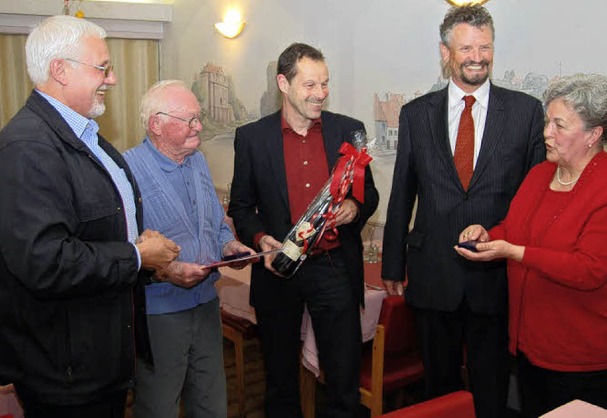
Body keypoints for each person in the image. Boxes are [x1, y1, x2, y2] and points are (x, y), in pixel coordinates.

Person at [0, 15, 180, 418]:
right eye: (103, 67)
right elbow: (43, 260)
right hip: (65, 372)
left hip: (98, 357)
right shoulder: (28, 147)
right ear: (59, 70)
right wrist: (135, 256)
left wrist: (138, 246)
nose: (112, 79)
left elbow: (94, 229)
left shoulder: (86, 136)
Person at [381, 5, 545, 418]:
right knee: (439, 388)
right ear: (445, 51)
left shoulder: (526, 113)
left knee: (492, 387)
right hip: (432, 272)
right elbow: (402, 193)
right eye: (467, 47)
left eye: (485, 46)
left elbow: (534, 200)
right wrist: (391, 264)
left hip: (496, 277)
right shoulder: (415, 114)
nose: (477, 56)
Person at [456, 73, 607, 417]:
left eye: (559, 125)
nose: (546, 134)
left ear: (593, 134)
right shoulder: (541, 174)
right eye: (547, 122)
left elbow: (589, 270)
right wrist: (488, 234)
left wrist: (514, 252)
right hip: (532, 346)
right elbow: (513, 228)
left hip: (586, 355)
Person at [227, 43, 379, 418]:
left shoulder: (349, 130)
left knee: (343, 380)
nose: (320, 94)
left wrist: (355, 207)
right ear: (284, 83)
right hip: (278, 272)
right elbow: (242, 209)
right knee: (279, 380)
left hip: (333, 267)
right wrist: (261, 239)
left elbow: (370, 194)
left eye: (325, 84)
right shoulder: (252, 138)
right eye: (310, 85)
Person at [123, 80, 254, 418]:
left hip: (207, 305)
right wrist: (167, 271)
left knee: (211, 404)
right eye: (190, 120)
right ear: (157, 124)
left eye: (199, 117)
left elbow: (215, 222)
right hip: (158, 314)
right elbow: (124, 249)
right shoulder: (127, 171)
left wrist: (230, 246)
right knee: (159, 407)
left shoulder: (196, 160)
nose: (199, 126)